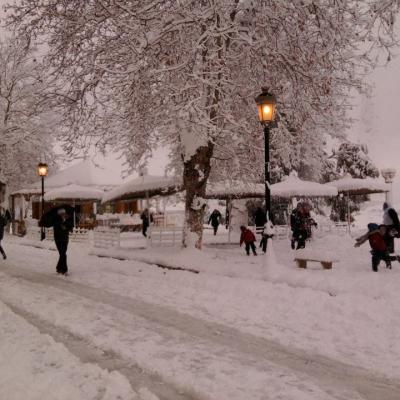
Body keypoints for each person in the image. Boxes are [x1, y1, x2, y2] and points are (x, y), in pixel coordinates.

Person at [51, 208, 74, 275]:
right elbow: (58, 229)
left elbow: (70, 228)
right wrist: (63, 225)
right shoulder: (56, 220)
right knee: (63, 254)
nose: (63, 214)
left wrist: (68, 227)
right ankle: (64, 269)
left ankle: (59, 268)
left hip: (65, 239)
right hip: (58, 239)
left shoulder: (67, 219)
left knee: (62, 254)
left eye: (64, 213)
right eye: (62, 213)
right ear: (59, 214)